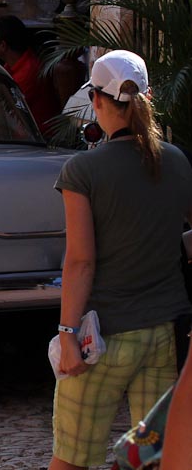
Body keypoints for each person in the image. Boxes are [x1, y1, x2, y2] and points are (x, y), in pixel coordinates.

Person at [48, 50, 192, 470]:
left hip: (105, 337)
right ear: (148, 97)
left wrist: (67, 334)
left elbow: (81, 261)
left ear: (95, 100)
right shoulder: (176, 160)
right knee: (152, 458)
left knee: (72, 459)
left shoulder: (82, 170)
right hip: (165, 333)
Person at [0, 15, 60, 133]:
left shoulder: (29, 71)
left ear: (3, 45)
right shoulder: (12, 66)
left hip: (39, 137)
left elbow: (5, 106)